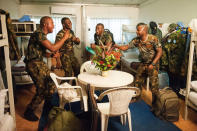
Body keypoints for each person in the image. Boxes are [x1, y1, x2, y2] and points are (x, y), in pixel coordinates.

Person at [24, 16, 70, 121]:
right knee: (42, 89)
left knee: (51, 82)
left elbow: (41, 52)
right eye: (52, 23)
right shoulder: (38, 34)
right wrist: (65, 37)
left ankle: (50, 106)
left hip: (38, 62)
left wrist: (50, 55)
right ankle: (29, 111)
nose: (53, 25)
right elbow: (53, 47)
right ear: (45, 24)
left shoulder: (41, 35)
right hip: (34, 64)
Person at [116, 23, 162, 109]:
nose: (136, 32)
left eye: (138, 30)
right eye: (136, 29)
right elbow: (126, 47)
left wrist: (153, 64)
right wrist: (116, 46)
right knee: (137, 81)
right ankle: (136, 98)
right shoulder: (136, 40)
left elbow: (160, 52)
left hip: (153, 65)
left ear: (145, 30)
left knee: (154, 87)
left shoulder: (153, 39)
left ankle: (157, 108)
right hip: (143, 64)